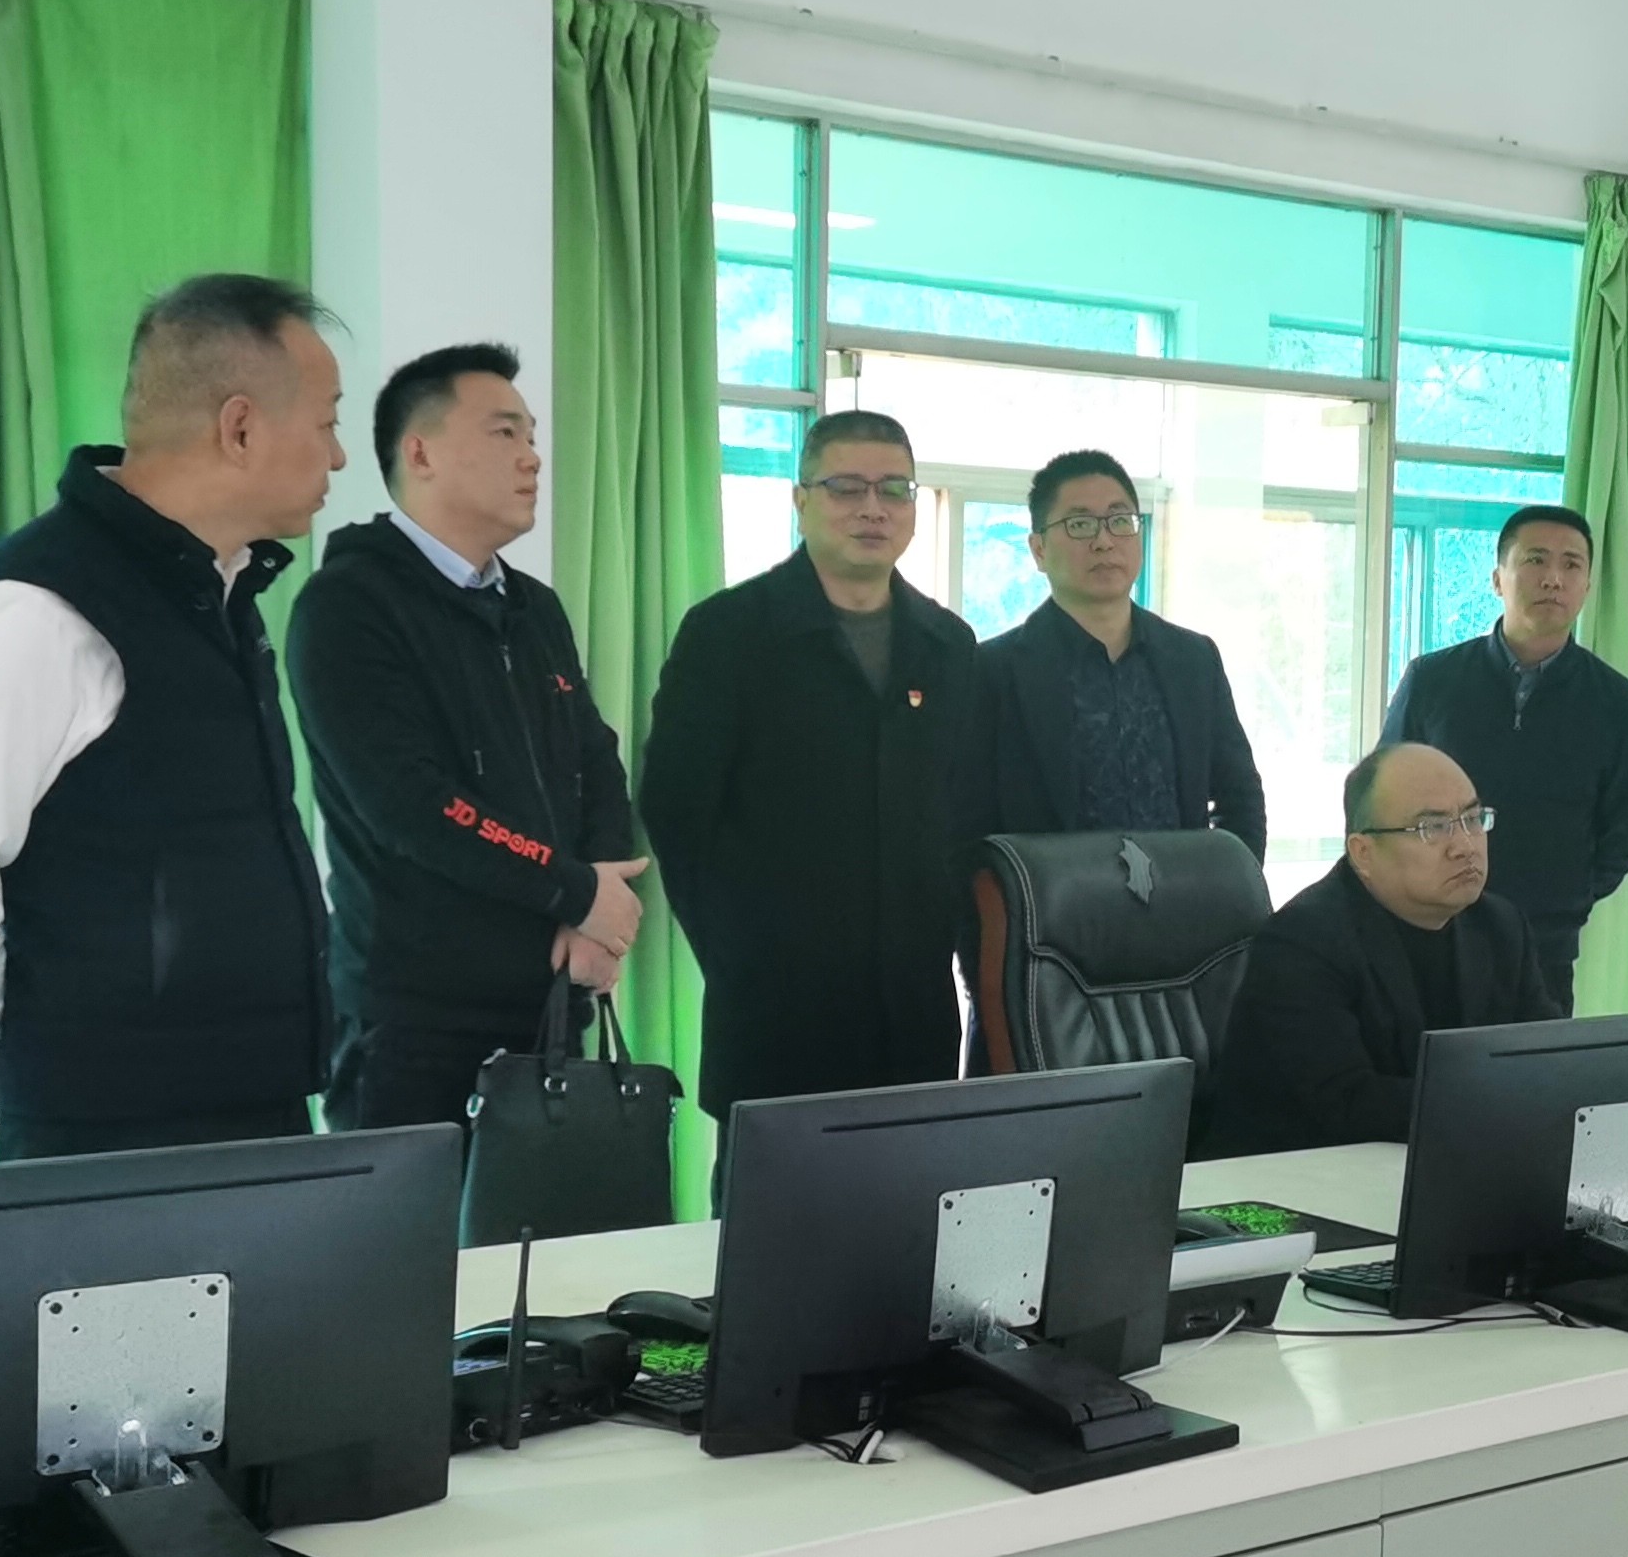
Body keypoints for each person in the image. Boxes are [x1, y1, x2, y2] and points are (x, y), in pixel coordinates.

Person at [0, 273, 340, 1161]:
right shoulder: (37, 612)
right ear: (240, 428)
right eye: (327, 423)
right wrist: (15, 1074)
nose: (339, 457)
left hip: (251, 1106)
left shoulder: (217, 593)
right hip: (113, 1140)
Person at [283, 342, 645, 1131]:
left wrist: (599, 918)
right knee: (411, 1219)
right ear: (420, 453)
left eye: (532, 436)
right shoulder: (349, 606)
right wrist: (576, 892)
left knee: (557, 1218)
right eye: (505, 433)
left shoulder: (533, 607)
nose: (533, 457)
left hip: (550, 1007)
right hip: (413, 1027)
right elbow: (412, 804)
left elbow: (595, 762)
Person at [639, 409, 986, 1123]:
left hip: (913, 1007)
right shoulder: (729, 632)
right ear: (801, 500)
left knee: (913, 1186)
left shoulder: (948, 644)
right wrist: (736, 955)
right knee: (771, 1192)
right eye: (846, 487)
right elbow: (676, 811)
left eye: (894, 489)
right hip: (774, 1010)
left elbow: (963, 812)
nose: (873, 508)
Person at [1209, 741, 1562, 1154]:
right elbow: (1345, 1103)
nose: (1465, 846)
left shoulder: (1499, 927)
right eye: (1432, 828)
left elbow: (1549, 1057)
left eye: (1472, 819)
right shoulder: (1301, 942)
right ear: (1363, 852)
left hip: (1441, 1156)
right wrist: (1501, 1101)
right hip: (1294, 1175)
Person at [1378, 504, 1628, 997]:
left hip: (1544, 947)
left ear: (1587, 587)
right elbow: (1382, 797)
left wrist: (1570, 896)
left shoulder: (1618, 704)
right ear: (1497, 579)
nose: (1553, 578)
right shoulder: (1432, 681)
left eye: (1571, 565)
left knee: (1535, 1050)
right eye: (1535, 560)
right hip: (1426, 936)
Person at [975, 449, 1265, 854]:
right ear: (1038, 549)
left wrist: (1229, 880)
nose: (1104, 541)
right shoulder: (992, 671)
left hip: (1184, 891)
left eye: (1120, 521)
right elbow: (968, 815)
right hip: (1052, 893)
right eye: (1079, 524)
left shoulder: (1193, 660)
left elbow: (1240, 796)